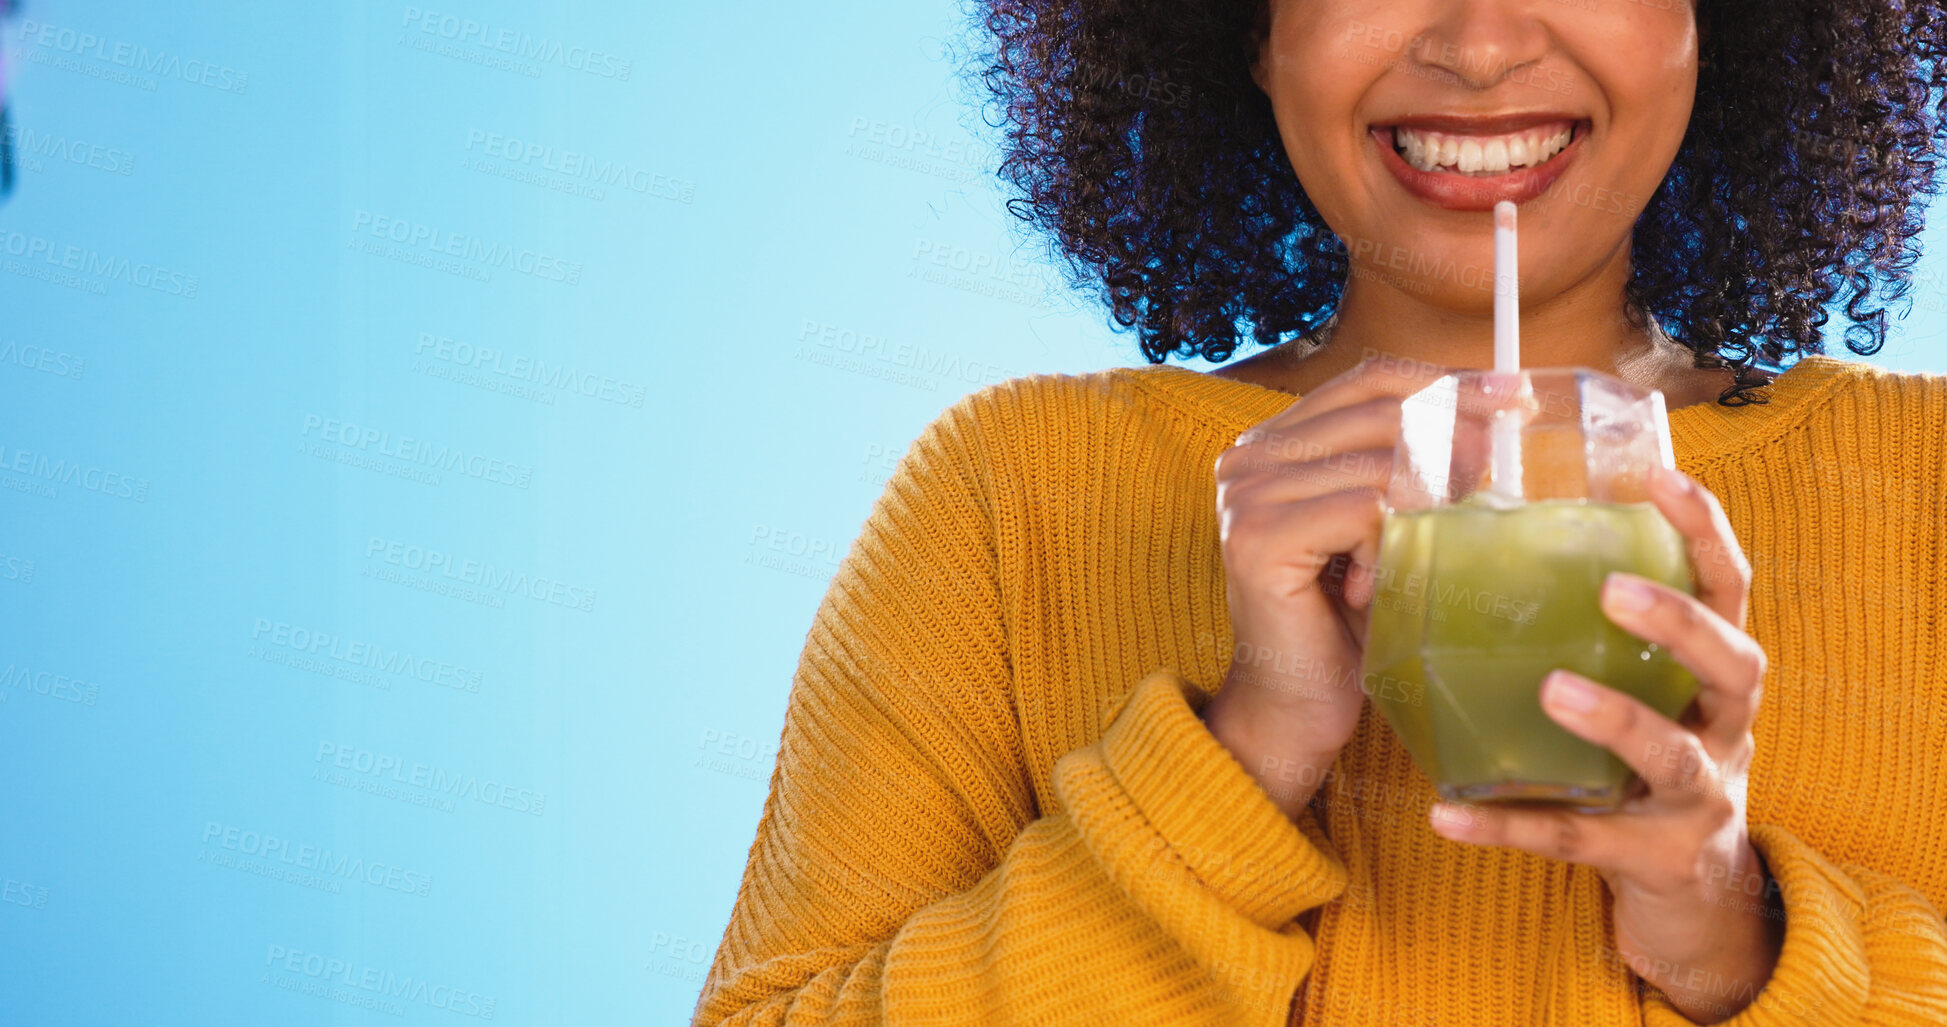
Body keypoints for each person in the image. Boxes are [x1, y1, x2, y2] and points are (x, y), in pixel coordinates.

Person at [694, 1, 1947, 1023]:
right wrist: (1241, 759)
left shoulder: (1927, 487)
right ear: (1248, 24)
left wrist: (1732, 935)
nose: (1479, 46)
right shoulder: (1008, 492)